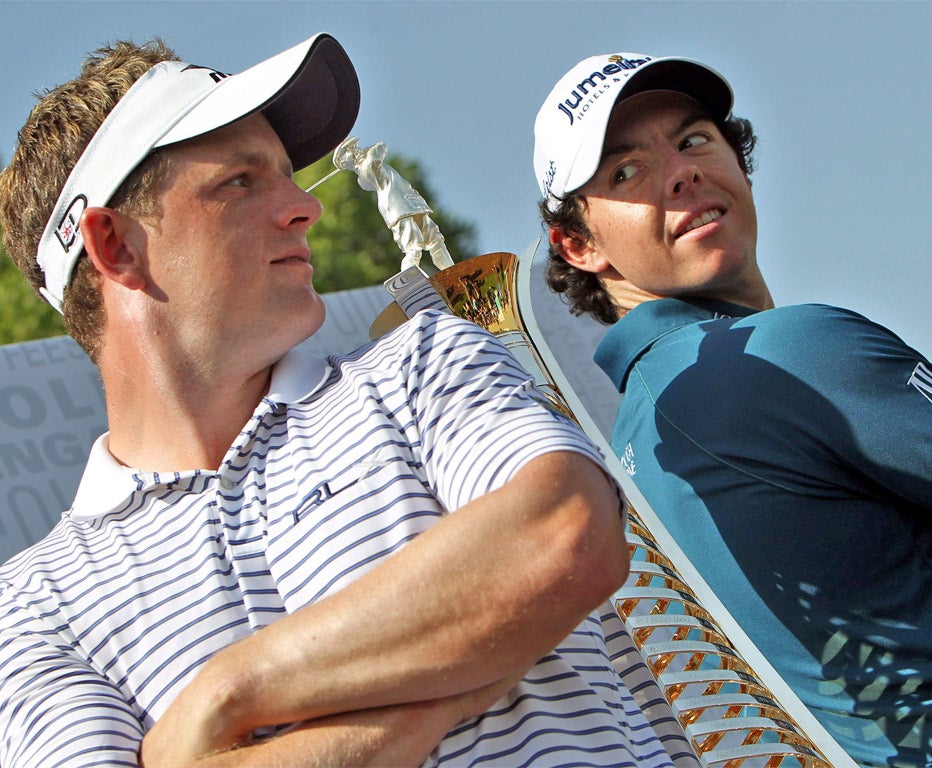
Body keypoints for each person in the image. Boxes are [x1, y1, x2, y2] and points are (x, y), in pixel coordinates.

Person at [0, 35, 690, 768]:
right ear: (115, 247)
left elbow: (564, 537)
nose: (305, 207)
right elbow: (533, 571)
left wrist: (228, 694)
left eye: (289, 177)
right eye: (240, 181)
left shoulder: (421, 363)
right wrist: (468, 667)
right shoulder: (31, 609)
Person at [532, 51, 932, 767]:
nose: (682, 170)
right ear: (577, 245)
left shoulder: (634, 443)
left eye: (695, 138)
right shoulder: (791, 350)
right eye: (625, 172)